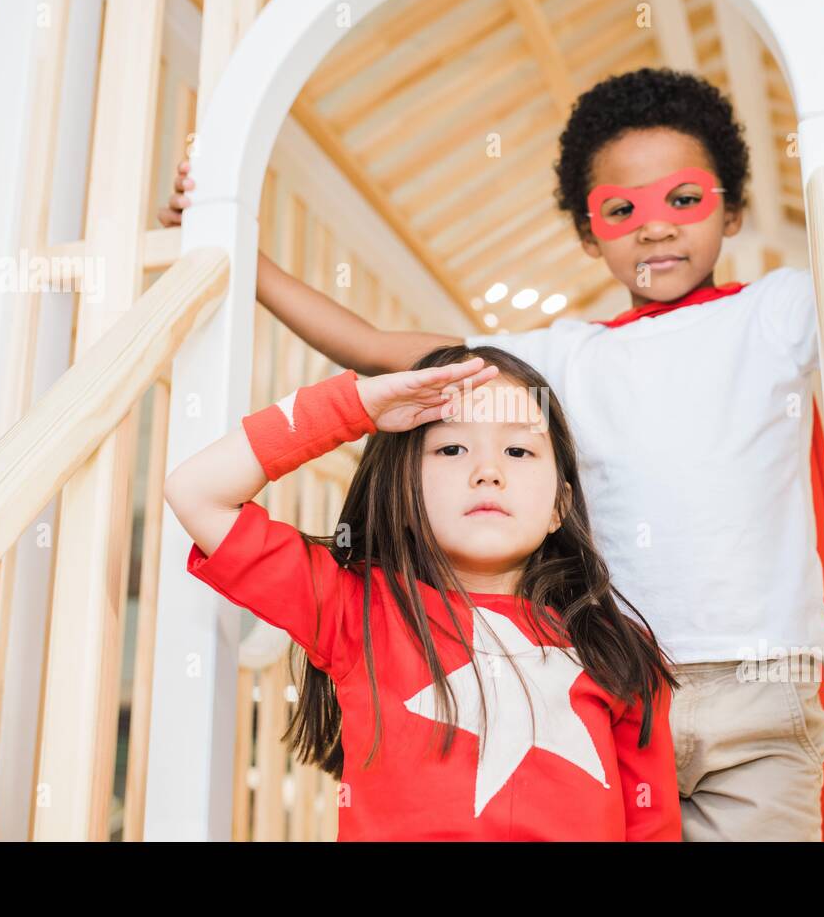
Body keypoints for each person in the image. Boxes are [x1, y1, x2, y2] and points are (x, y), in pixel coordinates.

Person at [161, 55, 824, 841]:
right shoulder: (562, 357)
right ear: (589, 233)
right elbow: (376, 347)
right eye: (621, 211)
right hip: (603, 678)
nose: (654, 224)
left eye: (684, 200)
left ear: (734, 210)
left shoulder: (776, 311)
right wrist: (239, 256)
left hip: (759, 690)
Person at [164, 345, 683, 840]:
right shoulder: (353, 611)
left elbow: (652, 825)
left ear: (559, 507)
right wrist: (358, 407)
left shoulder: (615, 647)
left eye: (519, 449)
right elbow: (198, 492)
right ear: (402, 495)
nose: (488, 472)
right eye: (451, 448)